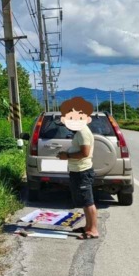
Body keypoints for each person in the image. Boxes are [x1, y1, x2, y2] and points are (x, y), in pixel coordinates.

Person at [57, 97, 98, 240]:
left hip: (83, 171)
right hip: (78, 170)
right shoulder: (79, 132)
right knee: (84, 202)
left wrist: (66, 156)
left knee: (88, 201)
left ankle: (93, 230)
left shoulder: (83, 132)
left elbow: (84, 153)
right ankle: (88, 226)